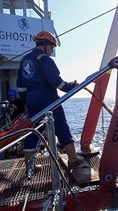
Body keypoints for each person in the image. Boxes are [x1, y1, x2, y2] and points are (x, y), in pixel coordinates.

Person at [17, 30, 84, 174]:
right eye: (52, 47)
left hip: (32, 101)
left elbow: (21, 87)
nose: (52, 50)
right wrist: (72, 86)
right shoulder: (45, 59)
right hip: (48, 100)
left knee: (34, 132)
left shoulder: (24, 60)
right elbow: (57, 82)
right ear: (46, 44)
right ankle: (72, 158)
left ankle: (30, 167)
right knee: (61, 126)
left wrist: (26, 103)